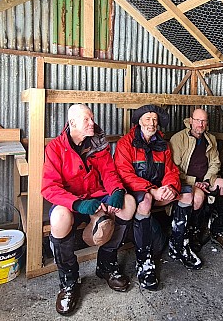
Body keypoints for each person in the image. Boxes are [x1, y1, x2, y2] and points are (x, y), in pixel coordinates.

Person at [42, 104, 136, 316]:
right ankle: (69, 281)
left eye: (92, 118)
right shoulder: (55, 148)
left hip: (96, 197)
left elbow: (109, 173)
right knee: (58, 218)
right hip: (72, 202)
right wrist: (77, 203)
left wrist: (117, 191)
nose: (92, 123)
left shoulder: (98, 144)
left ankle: (106, 264)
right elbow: (49, 188)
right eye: (87, 119)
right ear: (72, 123)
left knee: (128, 204)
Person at [114, 104, 203, 291]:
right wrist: (151, 190)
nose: (152, 123)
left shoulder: (162, 143)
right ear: (139, 122)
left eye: (154, 120)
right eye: (147, 119)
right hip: (137, 190)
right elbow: (124, 174)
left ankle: (179, 246)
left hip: (159, 189)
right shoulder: (125, 143)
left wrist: (170, 187)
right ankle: (144, 261)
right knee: (145, 202)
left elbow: (171, 170)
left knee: (187, 194)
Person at [169, 108, 223, 254]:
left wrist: (206, 180)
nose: (200, 124)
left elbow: (215, 163)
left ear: (207, 123)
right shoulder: (178, 139)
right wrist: (194, 182)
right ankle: (192, 233)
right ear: (190, 120)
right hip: (186, 181)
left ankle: (218, 230)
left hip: (207, 179)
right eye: (197, 120)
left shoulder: (210, 139)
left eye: (203, 121)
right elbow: (173, 169)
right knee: (199, 196)